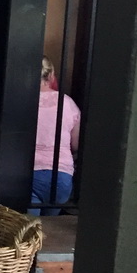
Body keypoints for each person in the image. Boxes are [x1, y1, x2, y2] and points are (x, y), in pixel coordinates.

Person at [31, 55, 80, 215]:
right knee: (50, 229)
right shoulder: (67, 103)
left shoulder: (23, 101)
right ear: (51, 75)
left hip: (29, 172)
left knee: (28, 232)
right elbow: (76, 144)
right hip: (61, 175)